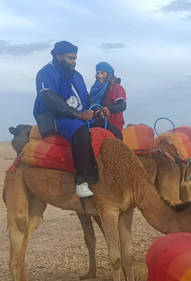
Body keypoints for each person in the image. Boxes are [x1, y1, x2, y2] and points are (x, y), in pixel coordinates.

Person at [33, 42, 122, 198]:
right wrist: (77, 115)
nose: (74, 61)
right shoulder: (45, 73)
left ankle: (115, 171)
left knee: (114, 131)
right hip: (61, 117)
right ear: (58, 56)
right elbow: (49, 98)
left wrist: (96, 110)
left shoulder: (77, 75)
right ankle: (81, 181)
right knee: (82, 135)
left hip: (82, 115)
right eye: (70, 58)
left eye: (75, 58)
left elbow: (86, 97)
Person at [90, 62, 127, 130]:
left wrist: (107, 108)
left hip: (113, 124)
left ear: (109, 74)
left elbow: (122, 105)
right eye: (98, 73)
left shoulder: (116, 87)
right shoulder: (95, 89)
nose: (99, 76)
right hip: (97, 121)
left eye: (102, 73)